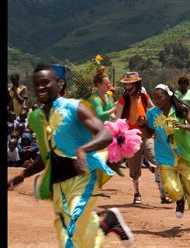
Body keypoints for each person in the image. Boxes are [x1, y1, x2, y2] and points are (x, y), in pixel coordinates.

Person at [7, 63, 133, 247]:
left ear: (57, 83)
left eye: (45, 82)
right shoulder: (38, 117)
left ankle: (107, 223)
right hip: (59, 187)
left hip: (82, 178)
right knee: (75, 241)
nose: (40, 87)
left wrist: (83, 149)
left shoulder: (75, 107)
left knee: (73, 234)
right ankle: (108, 223)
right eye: (36, 84)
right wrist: (22, 175)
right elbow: (47, 156)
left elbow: (104, 135)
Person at [141, 84, 190, 229]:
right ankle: (180, 199)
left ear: (168, 95)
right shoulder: (152, 114)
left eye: (160, 97)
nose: (156, 100)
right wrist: (141, 125)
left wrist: (182, 126)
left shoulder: (180, 109)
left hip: (184, 154)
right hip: (165, 156)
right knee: (170, 188)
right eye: (155, 97)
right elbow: (148, 134)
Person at [115, 71, 169, 205]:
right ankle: (136, 193)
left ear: (137, 84)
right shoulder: (123, 99)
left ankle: (163, 193)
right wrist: (120, 138)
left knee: (157, 162)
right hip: (130, 139)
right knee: (134, 169)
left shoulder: (144, 96)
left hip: (146, 135)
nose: (127, 87)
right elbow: (117, 120)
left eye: (130, 84)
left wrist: (163, 122)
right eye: (126, 84)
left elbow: (153, 110)